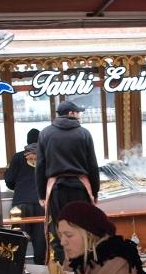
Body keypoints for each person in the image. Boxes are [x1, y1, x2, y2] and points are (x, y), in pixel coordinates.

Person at [37, 100, 100, 257]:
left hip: (56, 190)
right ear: (71, 113)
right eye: (78, 112)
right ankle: (83, 265)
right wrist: (95, 192)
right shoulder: (84, 133)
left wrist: (41, 195)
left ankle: (63, 266)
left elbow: (40, 167)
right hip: (79, 188)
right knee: (82, 228)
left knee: (60, 230)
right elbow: (93, 165)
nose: (79, 115)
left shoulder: (45, 133)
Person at [4, 128, 46, 263]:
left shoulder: (18, 157)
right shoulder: (47, 156)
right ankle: (40, 270)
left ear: (27, 141)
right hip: (42, 204)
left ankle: (16, 269)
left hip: (20, 205)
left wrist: (18, 187)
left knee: (17, 242)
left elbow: (9, 180)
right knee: (41, 242)